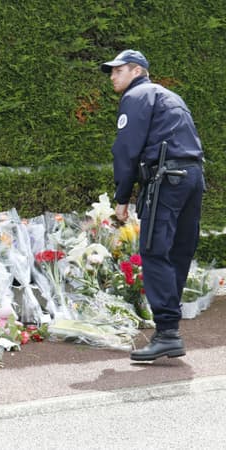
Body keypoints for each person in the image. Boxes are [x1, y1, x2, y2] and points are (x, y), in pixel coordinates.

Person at [100, 50, 204, 362]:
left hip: (165, 180)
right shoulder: (170, 96)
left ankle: (168, 333)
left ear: (136, 70)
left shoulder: (137, 96)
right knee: (178, 251)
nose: (112, 77)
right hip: (193, 177)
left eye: (117, 71)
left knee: (154, 250)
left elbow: (126, 150)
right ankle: (169, 327)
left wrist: (122, 198)